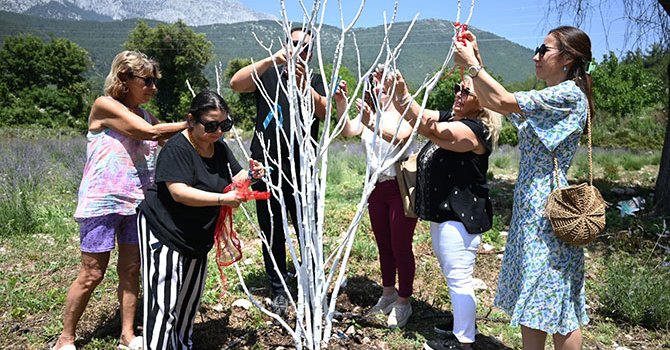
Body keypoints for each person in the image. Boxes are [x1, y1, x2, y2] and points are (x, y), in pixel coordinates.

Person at [453, 26, 594, 350]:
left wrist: (474, 65)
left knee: (558, 303)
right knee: (533, 299)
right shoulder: (550, 98)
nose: (535, 56)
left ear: (568, 58)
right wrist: (476, 60)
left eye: (544, 50)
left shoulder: (568, 95)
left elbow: (501, 99)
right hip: (532, 208)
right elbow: (496, 102)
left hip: (549, 211)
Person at [54, 51, 187, 350]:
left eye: (155, 81)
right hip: (102, 202)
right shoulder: (105, 106)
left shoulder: (146, 114)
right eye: (148, 80)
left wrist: (207, 133)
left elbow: (166, 137)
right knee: (92, 272)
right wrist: (192, 120)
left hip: (136, 203)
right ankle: (66, 337)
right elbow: (149, 133)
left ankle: (127, 334)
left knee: (130, 269)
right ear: (124, 78)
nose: (153, 87)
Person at [137, 90, 264, 349]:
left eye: (224, 125)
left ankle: (182, 344)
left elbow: (235, 179)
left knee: (188, 299)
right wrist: (221, 200)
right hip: (164, 228)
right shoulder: (177, 148)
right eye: (211, 125)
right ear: (192, 120)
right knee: (165, 300)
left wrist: (252, 176)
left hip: (196, 232)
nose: (218, 131)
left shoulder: (219, 147)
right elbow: (179, 192)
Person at [386, 72, 501, 349]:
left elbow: (431, 130)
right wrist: (399, 97)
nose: (458, 94)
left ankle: (464, 340)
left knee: (459, 279)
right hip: (446, 215)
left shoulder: (474, 130)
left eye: (466, 92)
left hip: (461, 218)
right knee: (454, 276)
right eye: (457, 88)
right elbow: (421, 115)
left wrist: (402, 97)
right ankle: (464, 322)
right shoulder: (455, 116)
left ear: (482, 103)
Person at [229, 27, 327, 315]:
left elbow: (324, 112)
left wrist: (303, 86)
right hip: (265, 167)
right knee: (271, 231)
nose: (300, 51)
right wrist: (273, 59)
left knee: (307, 230)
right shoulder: (268, 74)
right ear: (285, 45)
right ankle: (278, 287)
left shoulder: (315, 79)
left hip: (302, 169)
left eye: (306, 48)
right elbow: (236, 83)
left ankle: (310, 283)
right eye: (295, 44)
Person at [334, 68, 418, 328]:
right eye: (374, 82)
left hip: (400, 187)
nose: (378, 87)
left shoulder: (407, 111)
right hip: (375, 187)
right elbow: (347, 130)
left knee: (400, 245)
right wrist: (341, 104)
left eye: (383, 82)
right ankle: (387, 293)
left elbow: (401, 138)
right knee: (384, 244)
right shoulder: (370, 112)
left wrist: (372, 124)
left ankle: (404, 302)